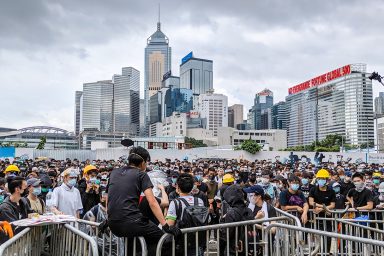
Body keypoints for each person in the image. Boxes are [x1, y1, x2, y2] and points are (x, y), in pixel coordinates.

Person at [107, 147, 180, 256]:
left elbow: (109, 198)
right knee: (166, 241)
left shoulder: (114, 172)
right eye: (147, 162)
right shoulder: (141, 174)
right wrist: (165, 226)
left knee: (133, 244)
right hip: (132, 222)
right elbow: (152, 202)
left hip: (113, 224)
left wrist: (107, 219)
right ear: (142, 163)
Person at [166, 173, 206, 256]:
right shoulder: (199, 201)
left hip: (182, 241)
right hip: (197, 239)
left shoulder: (175, 202)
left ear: (178, 187)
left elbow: (169, 224)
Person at [219, 184, 254, 256]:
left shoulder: (231, 213)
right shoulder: (249, 210)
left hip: (233, 250)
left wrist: (222, 220)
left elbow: (226, 235)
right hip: (247, 249)